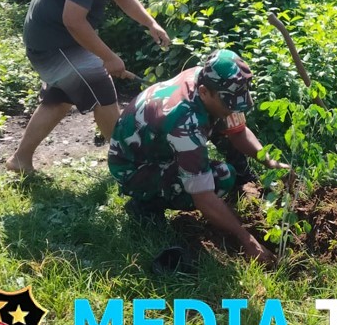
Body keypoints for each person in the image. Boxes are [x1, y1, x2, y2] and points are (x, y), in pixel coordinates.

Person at [6, 0, 171, 174]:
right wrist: (108, 58)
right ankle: (126, 162)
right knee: (102, 90)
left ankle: (20, 160)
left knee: (59, 99)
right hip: (53, 43)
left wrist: (150, 23)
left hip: (59, 37)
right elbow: (73, 21)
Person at [108, 49, 287, 266]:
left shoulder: (206, 79)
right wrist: (245, 238)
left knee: (224, 124)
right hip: (135, 167)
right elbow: (202, 196)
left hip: (158, 145)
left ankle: (244, 177)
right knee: (221, 177)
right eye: (229, 104)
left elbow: (238, 130)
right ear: (204, 92)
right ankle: (145, 205)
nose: (233, 109)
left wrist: (270, 162)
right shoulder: (184, 121)